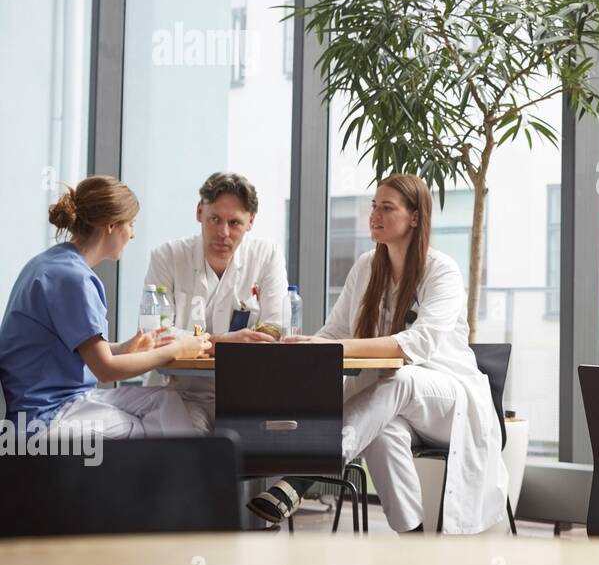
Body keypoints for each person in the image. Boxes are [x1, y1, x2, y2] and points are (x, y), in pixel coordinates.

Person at [246, 174, 508, 534]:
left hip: (450, 403)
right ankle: (414, 538)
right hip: (395, 403)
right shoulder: (367, 266)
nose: (375, 215)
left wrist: (332, 347)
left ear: (414, 217)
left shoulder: (441, 270)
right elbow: (335, 331)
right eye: (374, 206)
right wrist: (306, 350)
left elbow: (415, 345)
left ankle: (303, 476)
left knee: (401, 378)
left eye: (387, 208)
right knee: (383, 435)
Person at [0, 176, 210, 439]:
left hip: (61, 404)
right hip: (46, 418)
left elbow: (77, 347)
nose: (132, 234)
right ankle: (178, 476)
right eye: (131, 224)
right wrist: (177, 349)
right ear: (111, 225)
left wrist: (126, 347)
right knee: (154, 431)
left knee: (165, 401)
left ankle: (183, 475)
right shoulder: (73, 279)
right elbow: (106, 369)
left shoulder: (50, 264)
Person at [143, 172, 288, 430]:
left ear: (251, 222)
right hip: (178, 392)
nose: (223, 232)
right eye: (215, 219)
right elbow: (154, 335)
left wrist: (191, 340)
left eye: (235, 223)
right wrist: (220, 343)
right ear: (200, 212)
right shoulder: (167, 256)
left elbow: (274, 329)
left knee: (266, 455)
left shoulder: (267, 255)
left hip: (244, 393)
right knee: (191, 453)